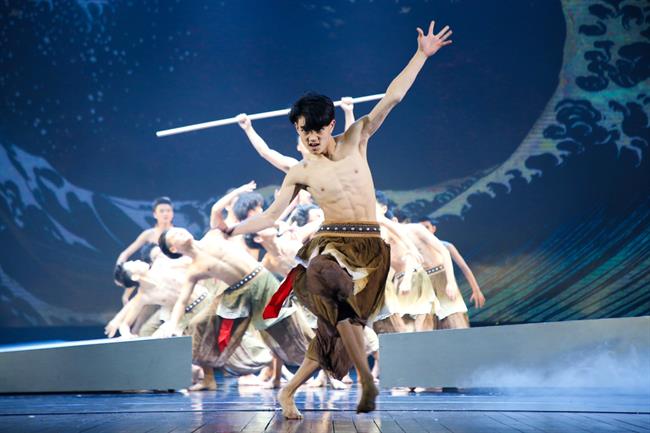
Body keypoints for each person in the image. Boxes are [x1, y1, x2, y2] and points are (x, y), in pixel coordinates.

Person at [218, 20, 453, 418]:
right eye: (302, 131)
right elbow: (272, 215)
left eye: (316, 130)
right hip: (332, 243)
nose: (310, 138)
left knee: (337, 331)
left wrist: (421, 55)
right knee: (326, 277)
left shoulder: (357, 137)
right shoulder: (300, 171)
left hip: (371, 247)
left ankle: (288, 392)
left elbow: (393, 97)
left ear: (330, 125)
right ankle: (366, 381)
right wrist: (233, 229)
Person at [114, 197, 175, 305]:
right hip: (148, 279)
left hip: (171, 278)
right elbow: (125, 253)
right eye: (161, 211)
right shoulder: (149, 234)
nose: (165, 214)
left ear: (172, 213)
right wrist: (118, 271)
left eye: (168, 210)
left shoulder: (179, 234)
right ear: (155, 214)